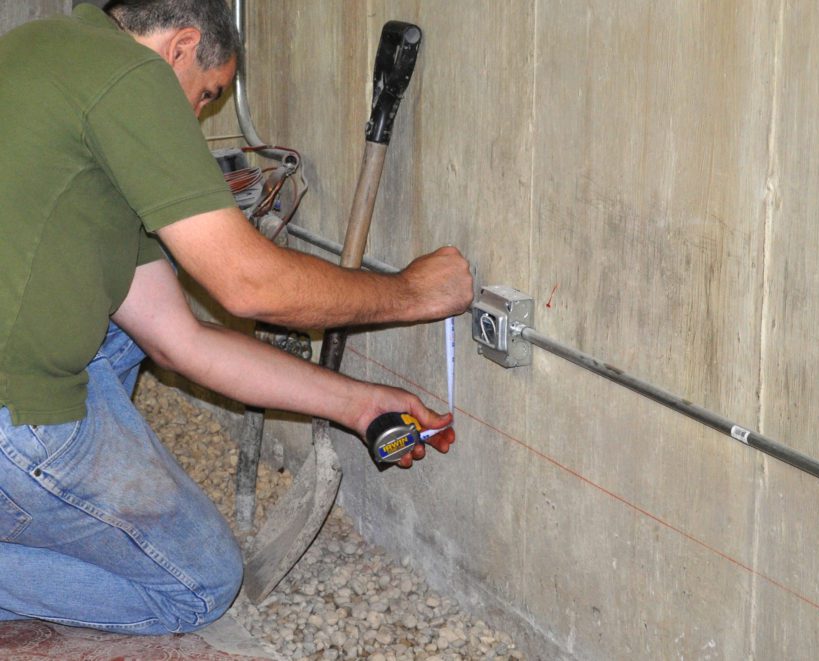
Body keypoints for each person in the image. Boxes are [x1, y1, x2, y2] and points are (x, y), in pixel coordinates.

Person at [0, 0, 472, 635]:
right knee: (198, 587)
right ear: (180, 47)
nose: (194, 117)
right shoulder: (130, 75)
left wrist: (358, 404)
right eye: (205, 94)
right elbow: (248, 283)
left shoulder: (37, 51)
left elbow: (180, 339)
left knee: (119, 335)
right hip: (12, 415)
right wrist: (411, 292)